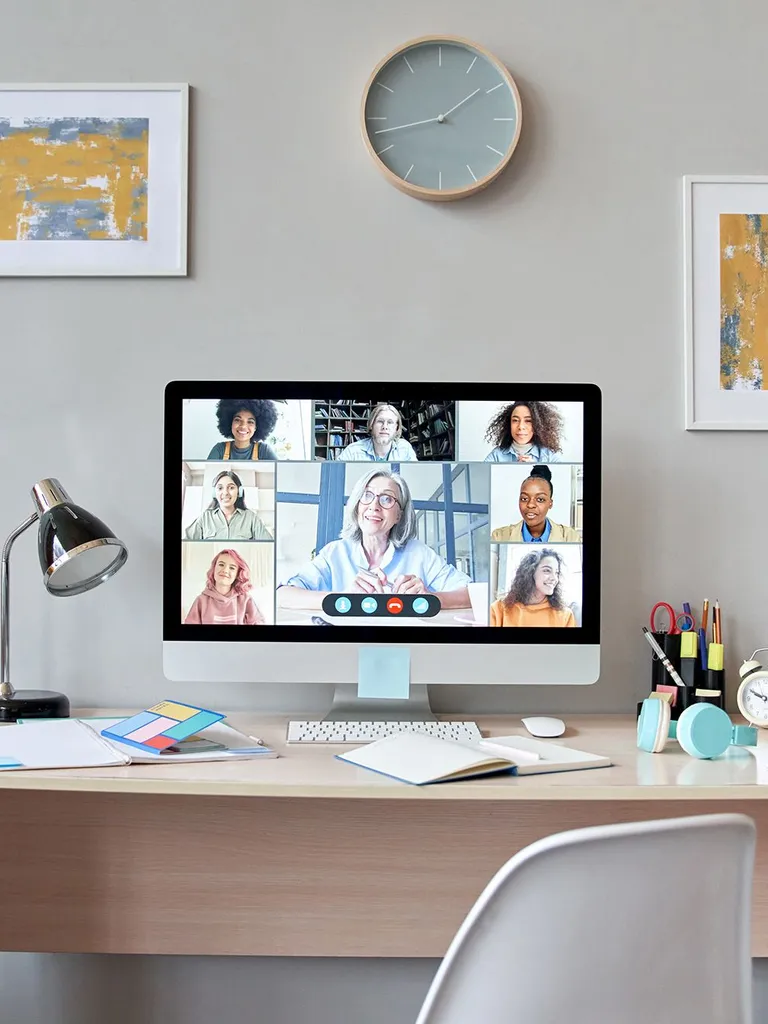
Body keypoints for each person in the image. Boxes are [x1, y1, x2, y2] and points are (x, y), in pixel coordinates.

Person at [278, 468, 470, 609]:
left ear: (399, 515)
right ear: (357, 505)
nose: (374, 506)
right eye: (367, 496)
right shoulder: (334, 553)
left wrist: (430, 599)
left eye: (387, 498)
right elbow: (283, 595)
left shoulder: (420, 554)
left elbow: (473, 594)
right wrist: (342, 599)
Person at [491, 466, 581, 543]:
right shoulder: (499, 537)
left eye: (540, 499)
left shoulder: (571, 538)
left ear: (550, 503)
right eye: (524, 499)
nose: (530, 505)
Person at [490, 548, 576, 627]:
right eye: (547, 570)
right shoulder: (499, 609)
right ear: (530, 573)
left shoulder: (565, 615)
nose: (554, 578)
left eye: (557, 573)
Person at [184, 548, 266, 625]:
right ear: (214, 568)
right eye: (221, 564)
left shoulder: (246, 600)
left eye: (232, 568)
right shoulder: (200, 601)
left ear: (238, 574)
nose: (225, 570)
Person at [185, 470, 273, 541]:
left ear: (239, 491)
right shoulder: (205, 517)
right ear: (214, 493)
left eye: (231, 487)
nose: (225, 493)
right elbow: (185, 544)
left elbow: (269, 546)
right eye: (220, 488)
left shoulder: (251, 518)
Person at [483, 401, 564, 463]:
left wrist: (536, 470)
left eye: (528, 421)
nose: (521, 427)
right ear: (509, 424)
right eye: (515, 420)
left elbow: (561, 482)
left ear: (538, 425)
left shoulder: (549, 457)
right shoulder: (496, 456)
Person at [337, 403, 417, 462]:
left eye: (390, 422)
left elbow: (414, 477)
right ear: (371, 425)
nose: (385, 426)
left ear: (397, 428)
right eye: (380, 421)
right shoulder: (353, 451)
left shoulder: (405, 449)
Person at [207, 399, 279, 460]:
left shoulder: (264, 450)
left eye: (250, 422)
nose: (243, 426)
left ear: (256, 427)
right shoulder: (220, 449)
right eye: (237, 420)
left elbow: (281, 473)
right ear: (230, 423)